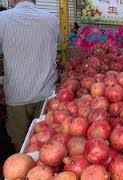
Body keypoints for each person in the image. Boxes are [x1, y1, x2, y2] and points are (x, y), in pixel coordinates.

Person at [0, 0, 59, 151]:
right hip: (46, 94)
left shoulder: (3, 19)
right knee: (44, 144)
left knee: (19, 140)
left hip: (17, 94)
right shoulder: (51, 19)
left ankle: (19, 171)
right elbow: (58, 44)